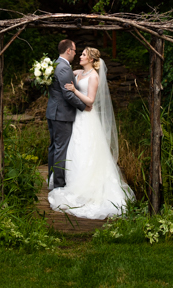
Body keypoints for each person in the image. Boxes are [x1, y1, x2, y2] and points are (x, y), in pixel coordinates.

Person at [48, 47, 133, 219]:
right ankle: (71, 182)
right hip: (76, 116)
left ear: (92, 60)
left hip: (87, 116)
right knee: (74, 149)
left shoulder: (94, 77)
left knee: (86, 149)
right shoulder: (77, 71)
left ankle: (87, 187)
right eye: (81, 54)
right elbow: (62, 73)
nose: (80, 56)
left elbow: (90, 101)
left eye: (84, 55)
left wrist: (74, 91)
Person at [46, 39, 87, 189]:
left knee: (54, 148)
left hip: (54, 112)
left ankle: (51, 180)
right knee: (60, 149)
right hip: (61, 114)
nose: (76, 53)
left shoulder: (56, 64)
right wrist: (84, 106)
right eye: (75, 50)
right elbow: (68, 94)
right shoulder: (63, 68)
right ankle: (58, 185)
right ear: (68, 50)